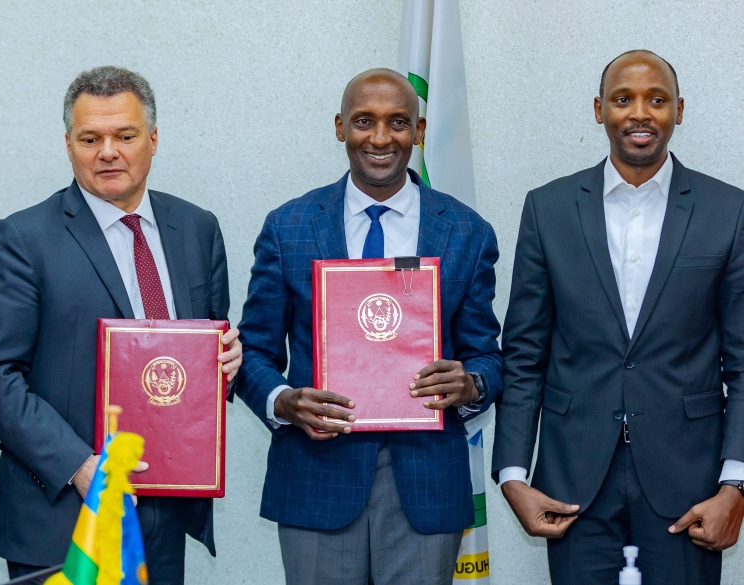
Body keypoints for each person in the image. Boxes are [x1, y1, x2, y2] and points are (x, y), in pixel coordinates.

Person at [0, 66, 242, 584]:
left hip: (165, 510)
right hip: (61, 515)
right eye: (91, 138)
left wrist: (227, 361)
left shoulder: (197, 229)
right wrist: (79, 465)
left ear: (153, 140)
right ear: (68, 144)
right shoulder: (23, 239)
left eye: (125, 136)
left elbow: (203, 359)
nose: (108, 151)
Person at [236, 68, 502, 585]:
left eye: (398, 122)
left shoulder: (467, 232)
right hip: (316, 478)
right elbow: (253, 352)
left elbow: (488, 355)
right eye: (364, 121)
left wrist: (470, 385)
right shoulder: (289, 227)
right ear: (340, 127)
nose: (381, 138)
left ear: (419, 131)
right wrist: (283, 401)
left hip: (425, 486)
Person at [492, 50, 744, 585]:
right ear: (598, 109)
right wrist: (513, 473)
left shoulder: (730, 211)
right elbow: (524, 353)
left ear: (679, 110)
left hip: (689, 480)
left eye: (657, 100)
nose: (640, 113)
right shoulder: (549, 208)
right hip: (573, 477)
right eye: (623, 98)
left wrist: (736, 485)